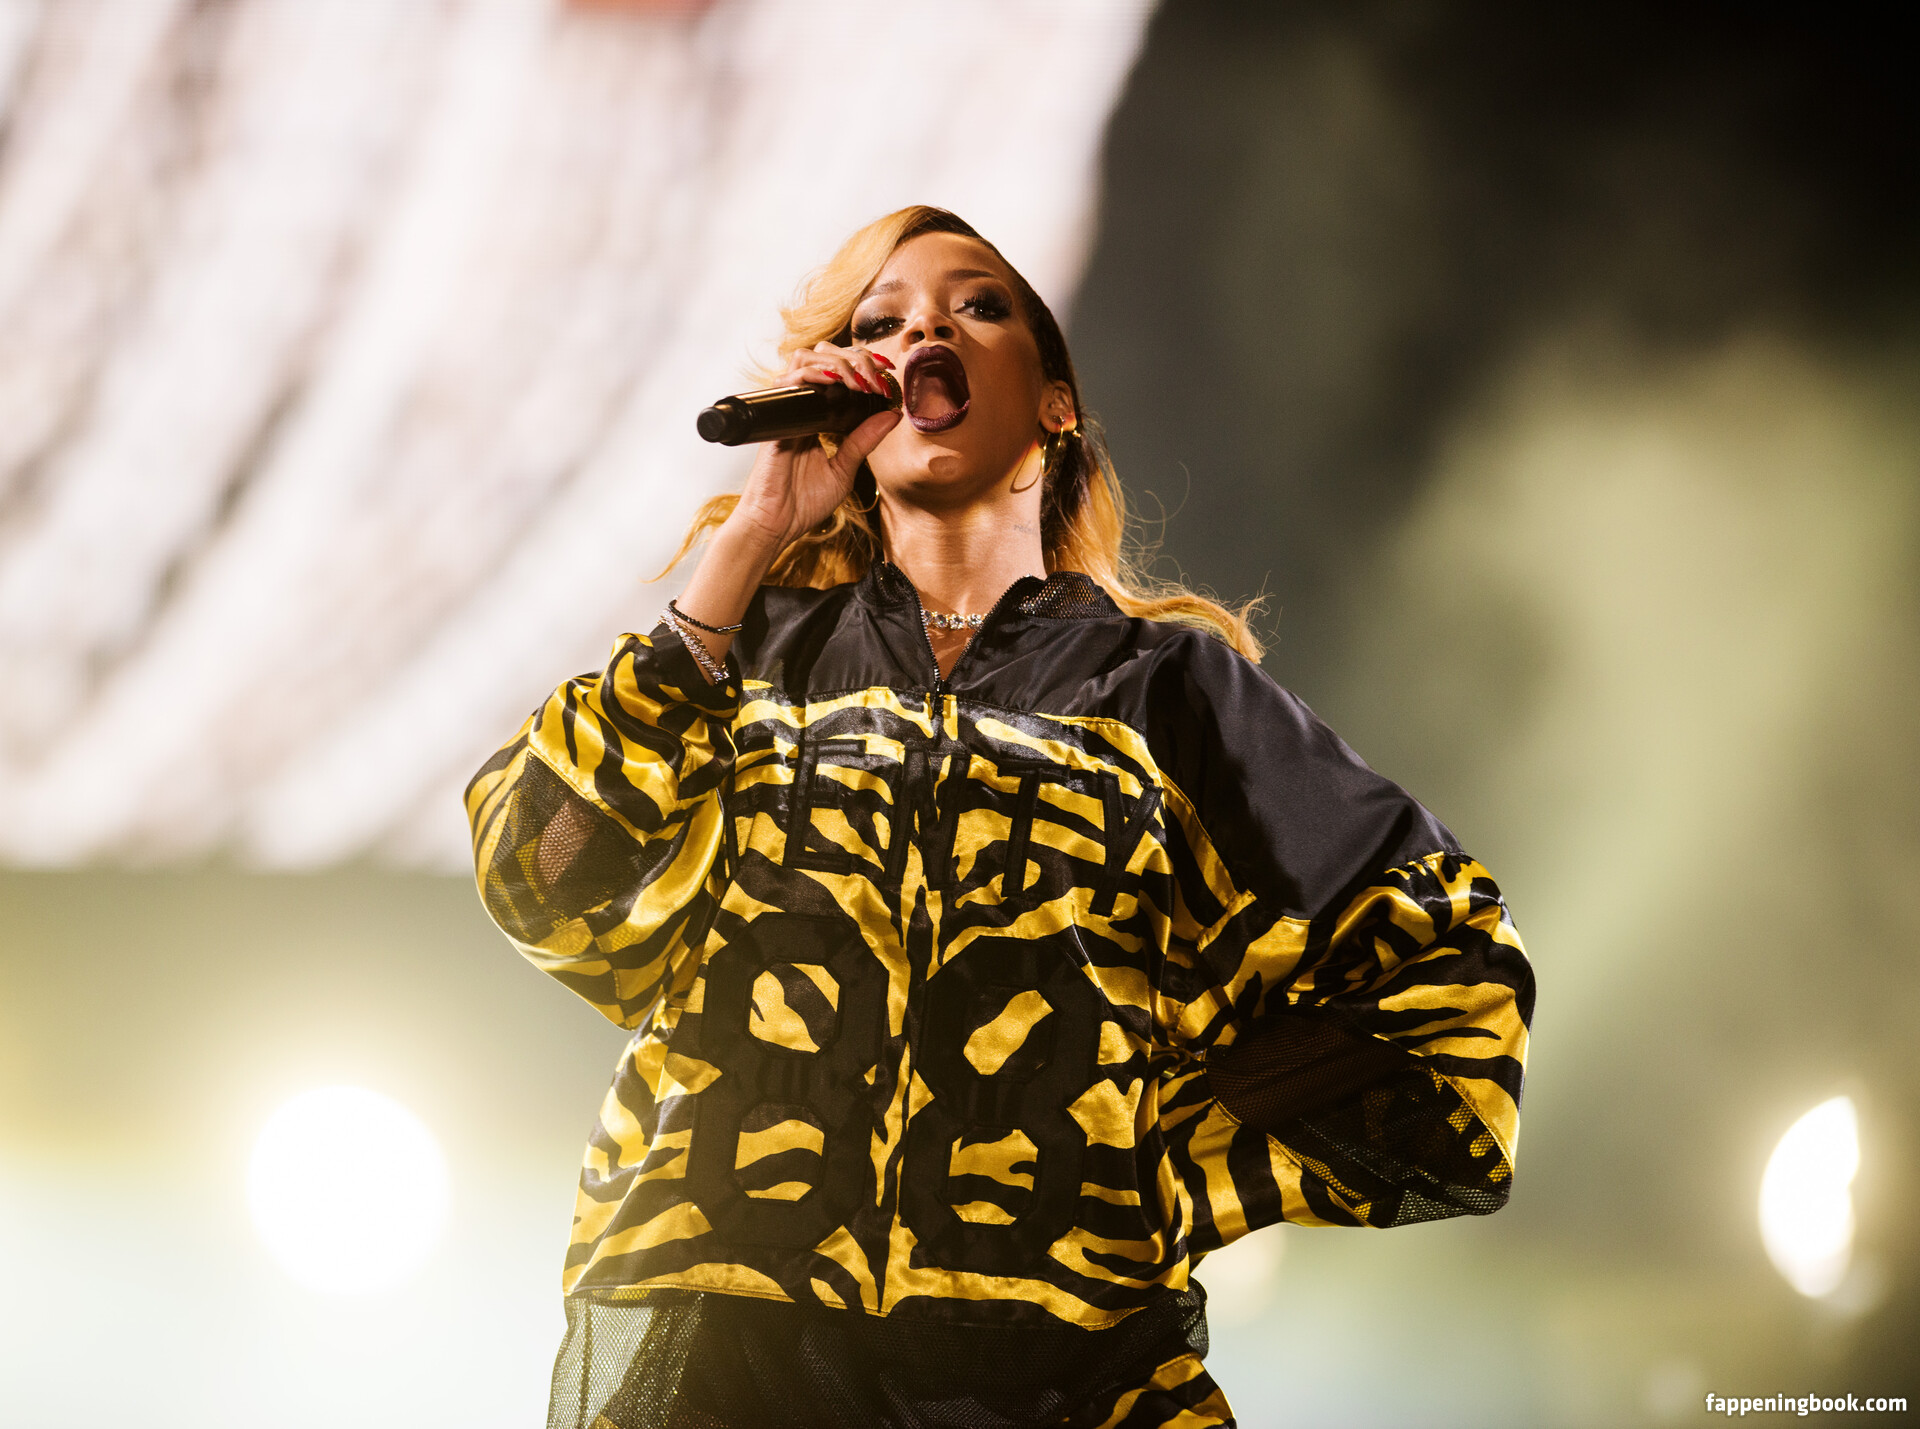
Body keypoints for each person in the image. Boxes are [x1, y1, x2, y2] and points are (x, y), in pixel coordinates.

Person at [466, 205, 1533, 1429]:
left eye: (975, 305)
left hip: (1066, 1371)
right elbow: (540, 864)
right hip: (740, 1362)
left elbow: (1449, 968)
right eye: (882, 323)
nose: (923, 330)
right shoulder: (751, 661)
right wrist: (751, 542)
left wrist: (1161, 1145)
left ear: (1054, 402)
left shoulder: (1164, 690)